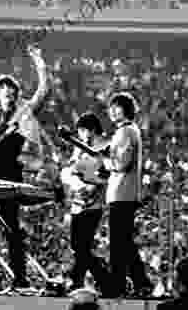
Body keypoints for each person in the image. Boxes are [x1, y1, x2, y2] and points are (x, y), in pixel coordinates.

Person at [0, 39, 48, 290]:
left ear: (16, 95)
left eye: (12, 92)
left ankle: (20, 278)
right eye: (4, 93)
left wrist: (38, 60)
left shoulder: (24, 110)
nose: (8, 96)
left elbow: (42, 90)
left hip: (10, 172)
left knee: (10, 227)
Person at [101, 92, 152, 298]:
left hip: (122, 192)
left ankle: (118, 285)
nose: (112, 111)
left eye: (117, 107)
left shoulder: (126, 132)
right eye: (110, 107)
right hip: (123, 192)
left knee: (118, 243)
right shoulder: (128, 131)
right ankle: (140, 281)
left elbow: (121, 163)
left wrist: (106, 161)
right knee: (124, 242)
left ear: (127, 109)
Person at [60, 112, 111, 294]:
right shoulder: (79, 149)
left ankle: (95, 279)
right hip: (77, 201)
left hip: (93, 203)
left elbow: (106, 174)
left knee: (82, 246)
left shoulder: (104, 148)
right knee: (78, 246)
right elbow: (71, 170)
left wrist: (91, 185)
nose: (83, 135)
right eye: (80, 131)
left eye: (85, 130)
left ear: (93, 130)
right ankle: (88, 280)